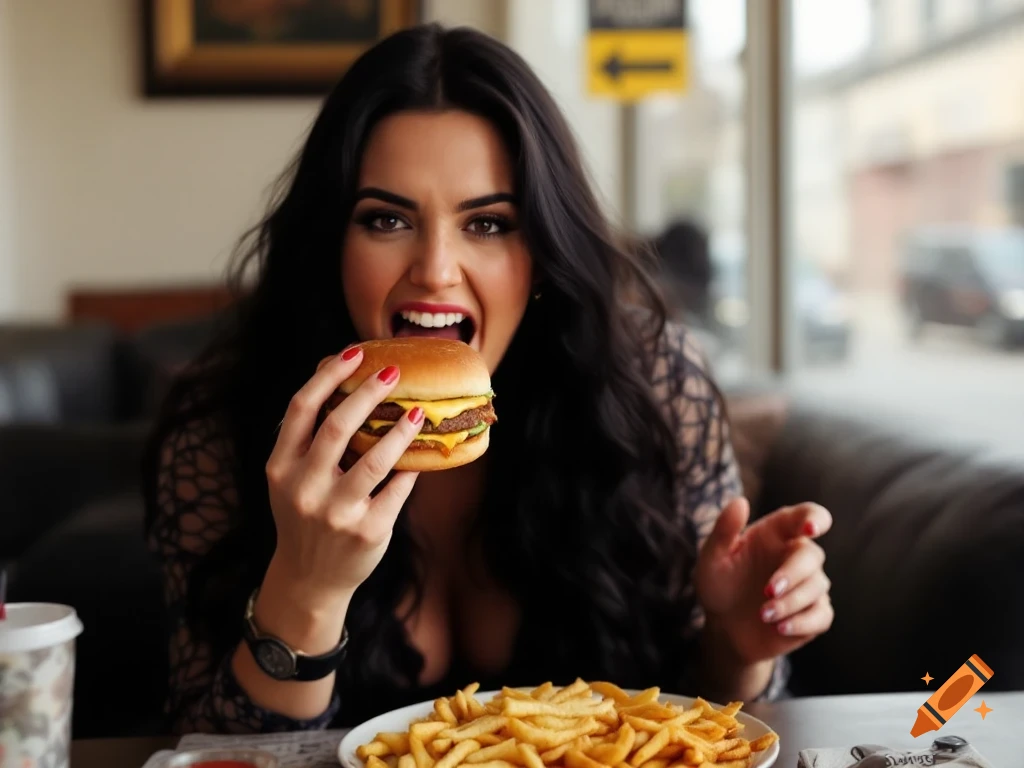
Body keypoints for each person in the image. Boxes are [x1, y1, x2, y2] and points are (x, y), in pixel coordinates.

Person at [143, 23, 833, 735]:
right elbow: (210, 748)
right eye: (386, 219)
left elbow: (709, 724)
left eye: (489, 224)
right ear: (331, 245)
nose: (437, 269)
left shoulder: (657, 388)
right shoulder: (220, 429)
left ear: (541, 251)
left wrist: (739, 643)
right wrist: (305, 591)